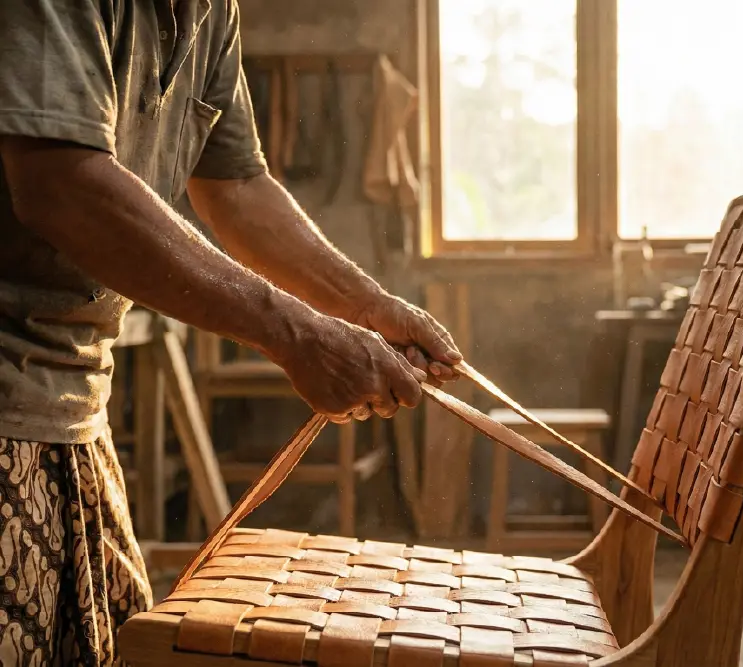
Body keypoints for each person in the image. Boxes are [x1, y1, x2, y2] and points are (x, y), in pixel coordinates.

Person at [0, 1, 462, 664]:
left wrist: (370, 308)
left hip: (75, 409)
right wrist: (297, 334)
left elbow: (238, 187)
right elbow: (59, 182)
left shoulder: (211, 13)